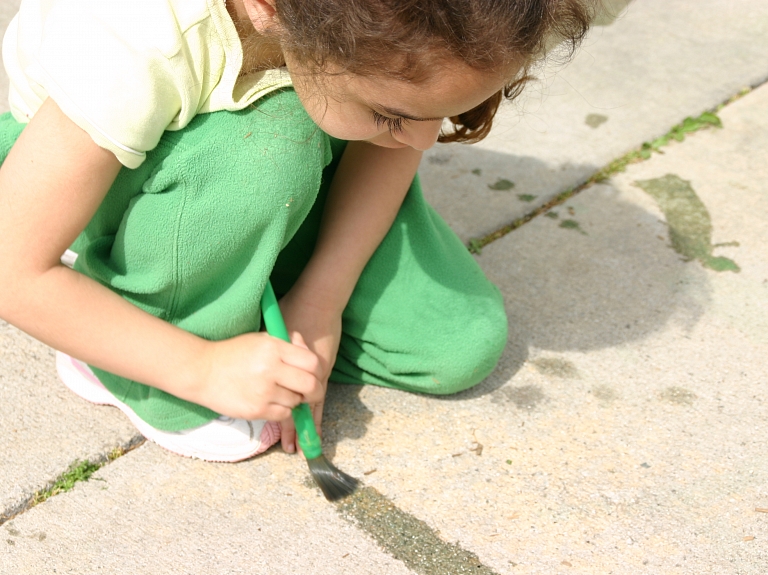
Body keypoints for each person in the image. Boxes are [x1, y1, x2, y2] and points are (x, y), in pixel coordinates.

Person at [0, 0, 594, 462]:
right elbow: (11, 269)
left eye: (452, 112)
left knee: (459, 344)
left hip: (284, 147)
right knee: (276, 146)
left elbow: (395, 139)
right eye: (392, 116)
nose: (423, 142)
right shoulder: (135, 39)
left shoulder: (387, 35)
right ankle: (126, 348)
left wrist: (320, 299)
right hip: (80, 172)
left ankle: (249, 249)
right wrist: (198, 369)